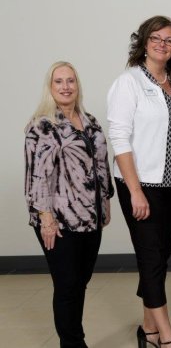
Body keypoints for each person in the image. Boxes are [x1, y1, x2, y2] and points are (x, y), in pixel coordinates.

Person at [107, 15, 171, 348]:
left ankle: (147, 330)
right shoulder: (128, 82)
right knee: (150, 257)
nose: (163, 44)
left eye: (170, 40)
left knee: (159, 258)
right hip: (140, 185)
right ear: (144, 43)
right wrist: (134, 192)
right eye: (156, 38)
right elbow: (119, 138)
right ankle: (168, 337)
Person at [24, 61, 114, 348]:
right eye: (59, 81)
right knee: (66, 286)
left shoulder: (90, 121)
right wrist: (45, 219)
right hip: (59, 221)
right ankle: (74, 343)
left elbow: (101, 165)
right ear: (50, 88)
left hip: (91, 217)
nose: (66, 87)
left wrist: (105, 203)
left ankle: (73, 339)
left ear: (78, 85)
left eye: (71, 81)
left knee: (80, 283)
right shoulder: (42, 126)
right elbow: (37, 176)